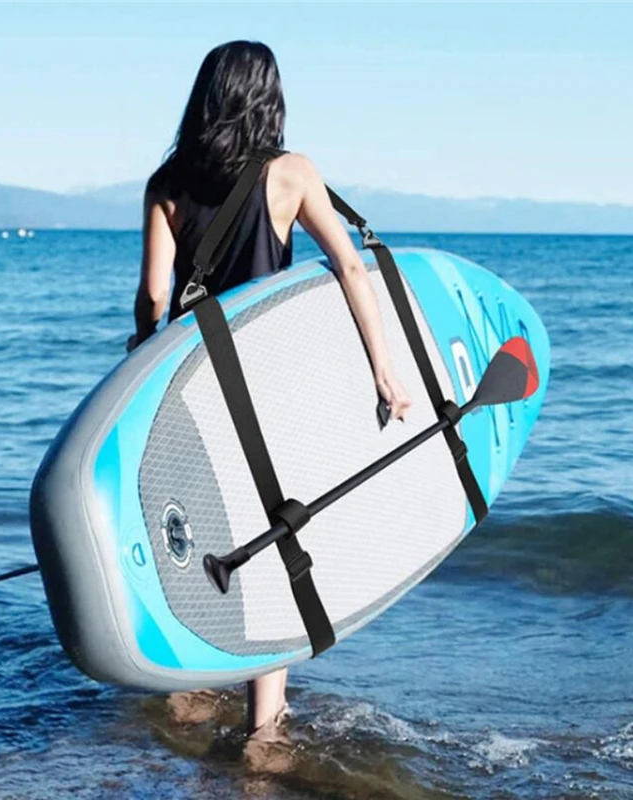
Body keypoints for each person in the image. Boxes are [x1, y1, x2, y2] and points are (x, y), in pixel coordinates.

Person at [130, 40, 412, 740]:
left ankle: (187, 693)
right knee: (272, 538)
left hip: (188, 387)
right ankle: (264, 728)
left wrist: (139, 349)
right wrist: (383, 369)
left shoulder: (166, 183)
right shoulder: (290, 173)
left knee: (197, 536)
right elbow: (350, 266)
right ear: (269, 99)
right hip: (264, 385)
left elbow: (155, 294)